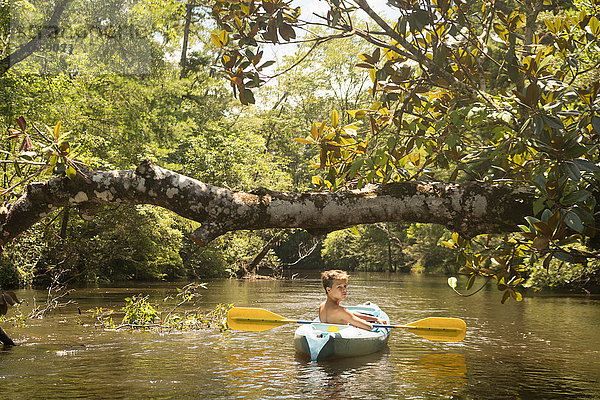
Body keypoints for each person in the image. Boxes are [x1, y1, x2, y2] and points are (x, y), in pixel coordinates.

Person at [318, 269, 385, 331]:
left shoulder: (322, 306)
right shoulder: (341, 311)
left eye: (345, 286)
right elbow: (369, 327)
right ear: (328, 290)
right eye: (339, 287)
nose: (344, 290)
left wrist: (374, 319)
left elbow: (349, 314)